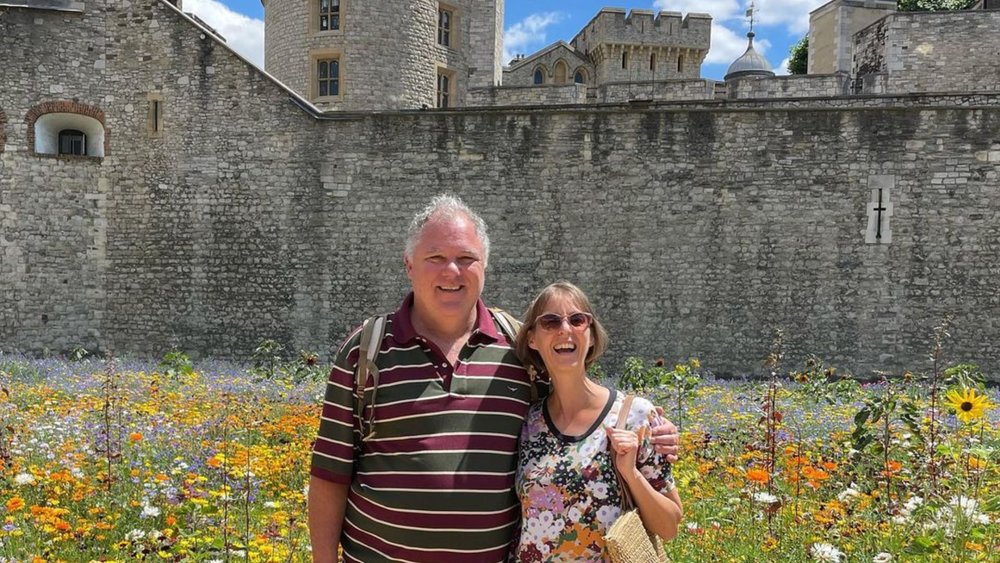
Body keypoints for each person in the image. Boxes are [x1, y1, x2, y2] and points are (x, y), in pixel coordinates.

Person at [308, 195, 680, 562]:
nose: (451, 271)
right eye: (435, 257)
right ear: (409, 265)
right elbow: (329, 473)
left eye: (466, 258)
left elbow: (577, 413)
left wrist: (652, 430)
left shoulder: (520, 350)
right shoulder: (366, 352)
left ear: (484, 266)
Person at [512, 281, 683, 562]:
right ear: (532, 339)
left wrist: (631, 473)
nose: (565, 329)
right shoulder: (529, 422)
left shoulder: (635, 416)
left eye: (577, 320)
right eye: (550, 321)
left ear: (590, 335)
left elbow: (669, 527)